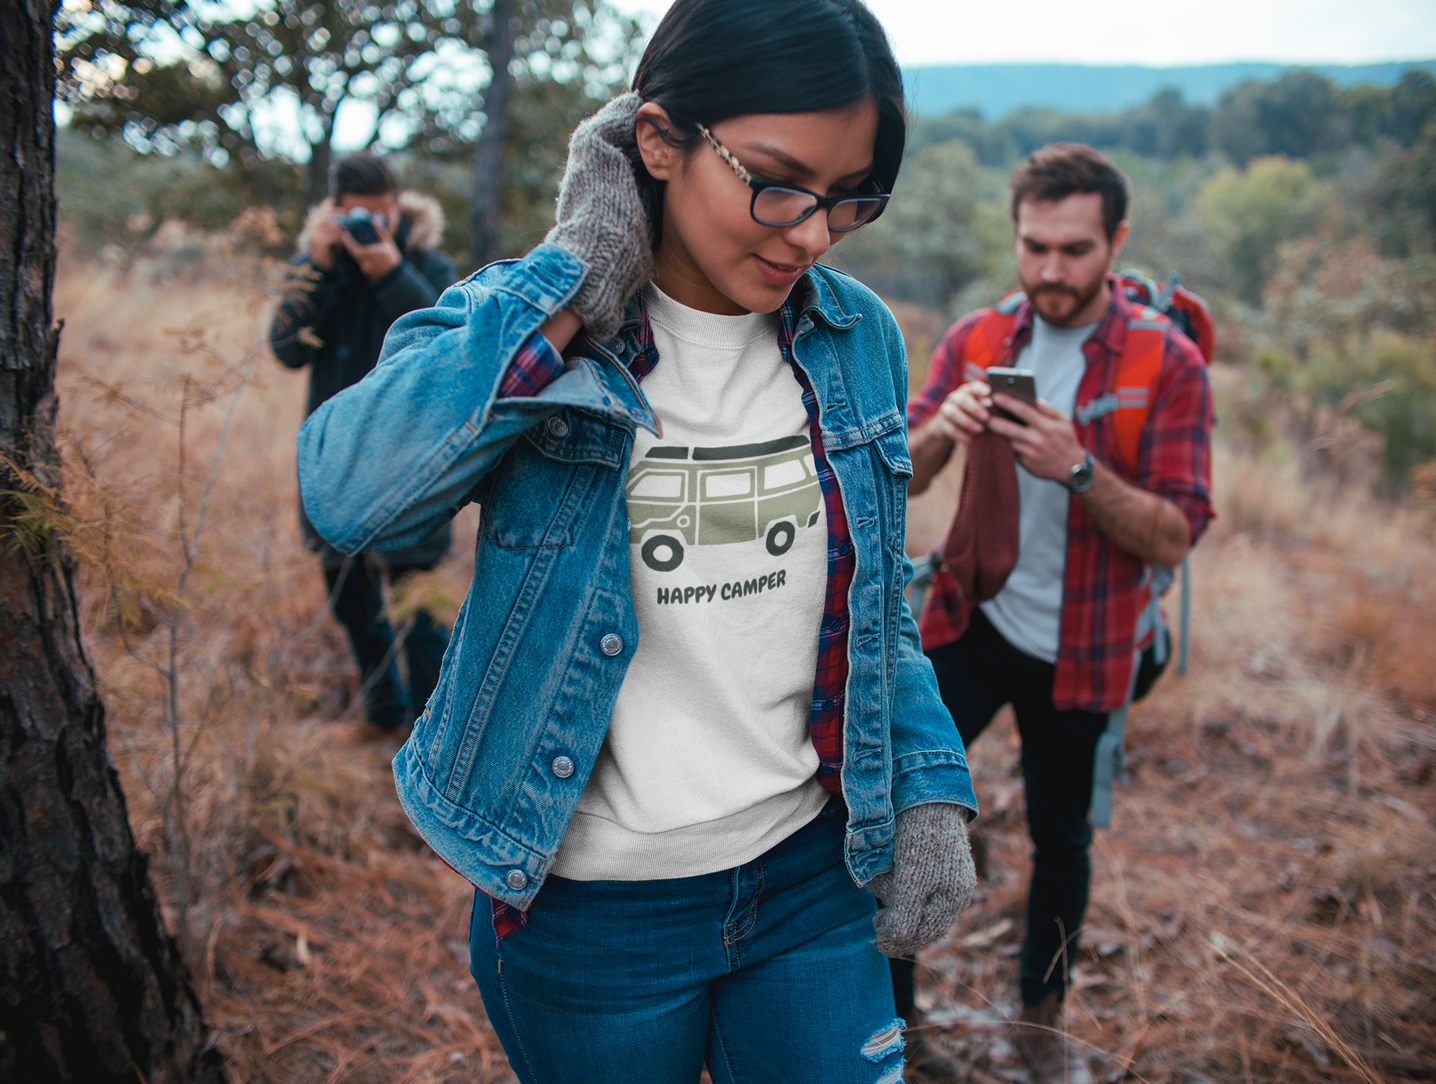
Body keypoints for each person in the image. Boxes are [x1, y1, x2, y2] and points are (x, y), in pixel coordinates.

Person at [296, 0, 980, 1078]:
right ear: (657, 142)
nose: (808, 231)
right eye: (775, 179)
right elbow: (354, 496)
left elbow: (875, 598)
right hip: (592, 911)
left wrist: (927, 778)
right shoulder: (536, 333)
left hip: (810, 876)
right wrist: (574, 281)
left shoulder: (856, 339)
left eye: (848, 199)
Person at [902, 144, 1214, 1084]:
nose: (1048, 272)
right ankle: (895, 1022)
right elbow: (894, 475)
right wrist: (940, 432)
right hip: (968, 618)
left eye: (1074, 250)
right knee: (904, 809)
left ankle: (1038, 1026)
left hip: (1085, 642)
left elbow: (1174, 534)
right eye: (1033, 247)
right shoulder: (976, 338)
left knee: (1061, 837)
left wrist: (1076, 468)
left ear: (1115, 243)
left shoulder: (1167, 360)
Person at [270, 153, 458, 735]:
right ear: (335, 212)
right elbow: (286, 349)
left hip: (413, 459)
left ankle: (431, 725)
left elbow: (451, 346)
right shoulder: (318, 265)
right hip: (338, 458)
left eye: (383, 215)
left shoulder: (428, 264)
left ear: (398, 205)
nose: (373, 228)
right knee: (352, 599)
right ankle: (383, 711)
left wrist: (389, 271)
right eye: (359, 217)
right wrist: (323, 268)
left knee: (418, 603)